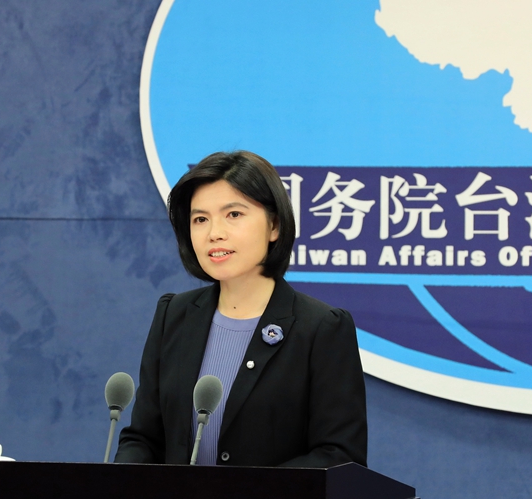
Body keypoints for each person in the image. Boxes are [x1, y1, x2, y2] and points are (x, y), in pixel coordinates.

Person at [114, 151, 367, 468]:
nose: (214, 233)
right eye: (200, 219)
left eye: (233, 214)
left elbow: (338, 455)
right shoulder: (173, 315)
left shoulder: (320, 328)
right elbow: (143, 438)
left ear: (274, 225)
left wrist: (247, 493)